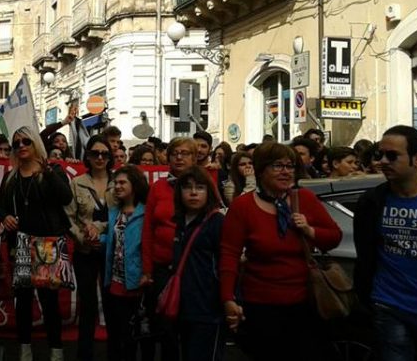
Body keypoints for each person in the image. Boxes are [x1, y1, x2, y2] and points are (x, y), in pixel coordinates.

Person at [219, 142, 342, 361]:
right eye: (277, 166)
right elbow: (229, 253)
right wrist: (228, 297)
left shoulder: (303, 199)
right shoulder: (243, 206)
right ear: (260, 170)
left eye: (290, 166)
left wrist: (309, 230)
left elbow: (334, 238)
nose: (286, 171)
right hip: (261, 306)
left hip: (304, 303)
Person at [353, 125, 417, 360]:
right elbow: (365, 252)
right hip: (388, 306)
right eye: (379, 154)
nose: (383, 161)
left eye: (392, 155)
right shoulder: (372, 202)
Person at [0, 126, 73, 361]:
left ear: (36, 144)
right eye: (16, 144)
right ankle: (25, 349)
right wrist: (5, 217)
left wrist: (47, 169)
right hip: (21, 243)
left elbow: (65, 197)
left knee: (49, 302)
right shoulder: (11, 177)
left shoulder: (52, 170)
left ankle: (56, 350)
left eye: (26, 142)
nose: (21, 147)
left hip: (47, 243)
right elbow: (1, 207)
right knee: (23, 302)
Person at [140, 137, 198, 360]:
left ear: (195, 158)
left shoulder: (203, 185)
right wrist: (147, 269)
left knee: (191, 328)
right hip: (162, 268)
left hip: (192, 269)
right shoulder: (158, 188)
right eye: (175, 153)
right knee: (166, 330)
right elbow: (147, 229)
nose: (180, 157)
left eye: (185, 153)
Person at [65, 135, 113, 361]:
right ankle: (85, 355)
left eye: (104, 153)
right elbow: (68, 217)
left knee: (112, 303)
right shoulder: (77, 183)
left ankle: (116, 352)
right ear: (88, 156)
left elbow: (124, 214)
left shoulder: (119, 181)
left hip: (112, 253)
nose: (100, 158)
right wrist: (82, 237)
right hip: (85, 252)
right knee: (88, 305)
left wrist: (98, 228)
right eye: (95, 153)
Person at [172, 167, 226, 361]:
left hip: (208, 308)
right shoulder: (178, 221)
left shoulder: (216, 222)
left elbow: (226, 265)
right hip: (183, 307)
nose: (193, 192)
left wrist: (230, 299)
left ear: (208, 192)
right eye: (187, 187)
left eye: (200, 187)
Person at [101, 165, 148, 361]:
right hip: (114, 283)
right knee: (116, 334)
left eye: (122, 183)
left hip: (137, 283)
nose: (117, 187)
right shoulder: (113, 212)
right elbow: (113, 241)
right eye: (115, 183)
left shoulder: (146, 214)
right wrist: (97, 239)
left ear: (135, 185)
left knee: (135, 335)